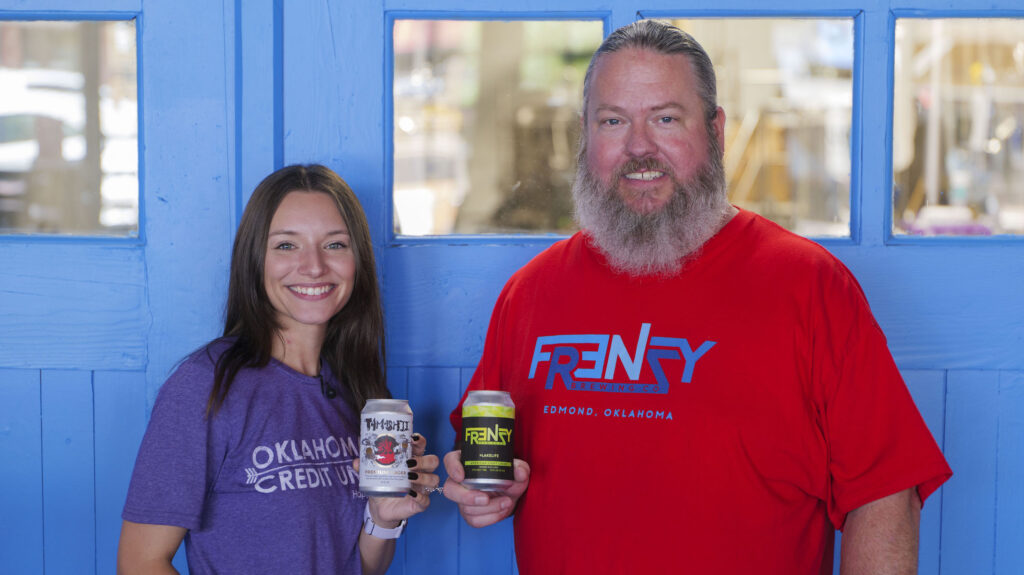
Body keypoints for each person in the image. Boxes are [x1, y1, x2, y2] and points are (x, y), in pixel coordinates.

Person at [442, 20, 951, 574]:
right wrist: (479, 491)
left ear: (716, 131)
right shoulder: (530, 295)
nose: (639, 147)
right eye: (613, 121)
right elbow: (483, 465)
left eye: (665, 118)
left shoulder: (810, 287)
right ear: (586, 135)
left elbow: (885, 492)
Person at [118, 164, 439, 575]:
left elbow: (360, 567)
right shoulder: (205, 385)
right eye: (287, 246)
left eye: (335, 245)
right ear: (256, 259)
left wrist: (384, 517)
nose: (313, 266)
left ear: (357, 259)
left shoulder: (360, 390)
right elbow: (140, 562)